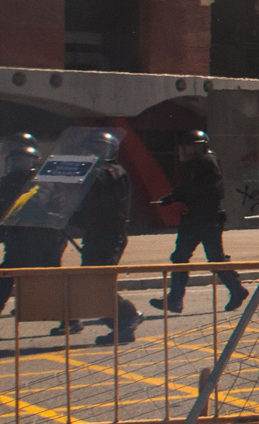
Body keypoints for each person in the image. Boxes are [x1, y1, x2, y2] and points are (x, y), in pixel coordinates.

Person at [150, 131, 247, 315]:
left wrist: (177, 196)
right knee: (180, 257)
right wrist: (174, 197)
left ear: (202, 146)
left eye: (193, 147)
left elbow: (207, 191)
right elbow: (189, 188)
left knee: (214, 258)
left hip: (207, 218)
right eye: (187, 147)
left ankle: (236, 289)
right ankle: (175, 299)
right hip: (195, 217)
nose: (189, 151)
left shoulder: (207, 162)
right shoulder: (196, 164)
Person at [0, 136, 57, 332]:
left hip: (39, 239)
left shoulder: (41, 181)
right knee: (6, 276)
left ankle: (71, 319)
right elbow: (0, 208)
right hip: (17, 238)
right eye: (14, 161)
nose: (18, 165)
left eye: (23, 161)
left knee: (49, 282)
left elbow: (37, 205)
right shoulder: (9, 181)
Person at [72, 131, 140, 347]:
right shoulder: (92, 172)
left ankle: (128, 316)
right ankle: (123, 327)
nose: (95, 152)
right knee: (92, 283)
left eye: (100, 148)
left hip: (110, 235)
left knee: (96, 283)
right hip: (95, 234)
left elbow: (101, 192)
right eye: (91, 147)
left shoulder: (114, 172)